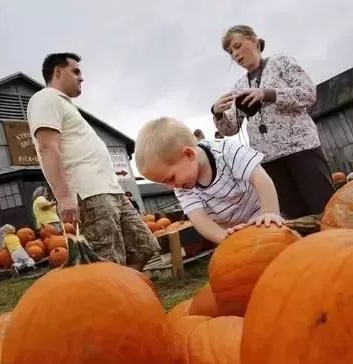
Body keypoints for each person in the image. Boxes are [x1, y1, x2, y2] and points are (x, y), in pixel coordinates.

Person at [27, 52, 159, 270]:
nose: (81, 78)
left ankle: (126, 293)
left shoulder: (66, 105)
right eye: (75, 71)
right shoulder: (45, 98)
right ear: (58, 72)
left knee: (144, 246)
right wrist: (64, 197)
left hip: (111, 190)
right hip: (87, 193)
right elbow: (47, 146)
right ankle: (112, 301)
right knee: (107, 261)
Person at [211, 25, 335, 219]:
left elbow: (308, 93)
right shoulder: (239, 86)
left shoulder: (281, 62)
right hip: (269, 159)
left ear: (253, 40)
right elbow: (231, 128)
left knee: (325, 208)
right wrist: (217, 113)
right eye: (230, 52)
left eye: (237, 46)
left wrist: (267, 94)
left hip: (301, 149)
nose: (235, 54)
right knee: (297, 218)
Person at [135, 117, 284, 244]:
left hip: (259, 215)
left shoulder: (227, 152)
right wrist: (226, 238)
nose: (170, 187)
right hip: (230, 230)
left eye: (170, 178)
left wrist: (270, 213)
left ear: (188, 155)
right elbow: (200, 219)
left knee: (275, 249)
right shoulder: (183, 187)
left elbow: (260, 179)